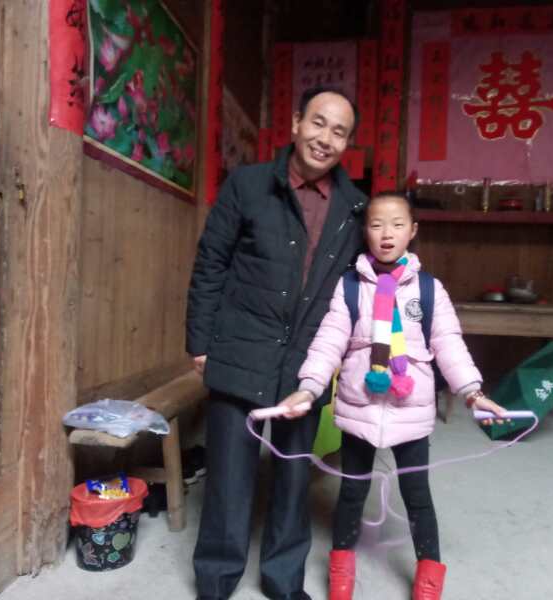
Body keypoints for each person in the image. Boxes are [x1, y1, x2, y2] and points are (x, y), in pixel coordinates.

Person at [278, 192, 507, 600]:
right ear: (365, 232)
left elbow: (449, 343)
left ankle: (428, 580)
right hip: (360, 408)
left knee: (417, 496)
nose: (387, 234)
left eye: (397, 225)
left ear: (412, 231)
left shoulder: (429, 290)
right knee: (352, 493)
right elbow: (329, 341)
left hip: (410, 411)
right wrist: (309, 387)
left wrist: (472, 392)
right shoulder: (350, 287)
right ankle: (341, 573)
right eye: (377, 224)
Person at [185, 86, 367, 600]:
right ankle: (216, 582)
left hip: (306, 364)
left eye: (339, 132)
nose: (325, 138)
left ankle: (284, 582)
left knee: (292, 481)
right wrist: (200, 341)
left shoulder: (355, 208)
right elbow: (211, 264)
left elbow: (366, 288)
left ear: (347, 144)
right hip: (239, 347)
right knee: (228, 478)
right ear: (295, 123)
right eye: (318, 123)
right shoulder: (247, 185)